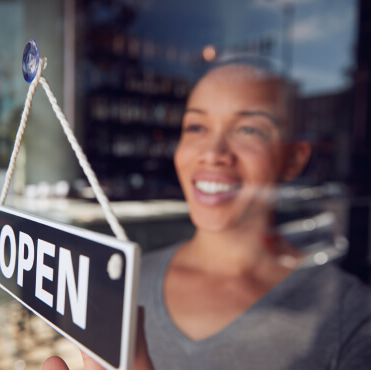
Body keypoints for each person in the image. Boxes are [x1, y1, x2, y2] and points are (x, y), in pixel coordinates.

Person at [43, 62, 371, 370]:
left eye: (248, 130)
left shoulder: (351, 318)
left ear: (293, 159)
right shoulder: (122, 282)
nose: (213, 153)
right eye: (196, 126)